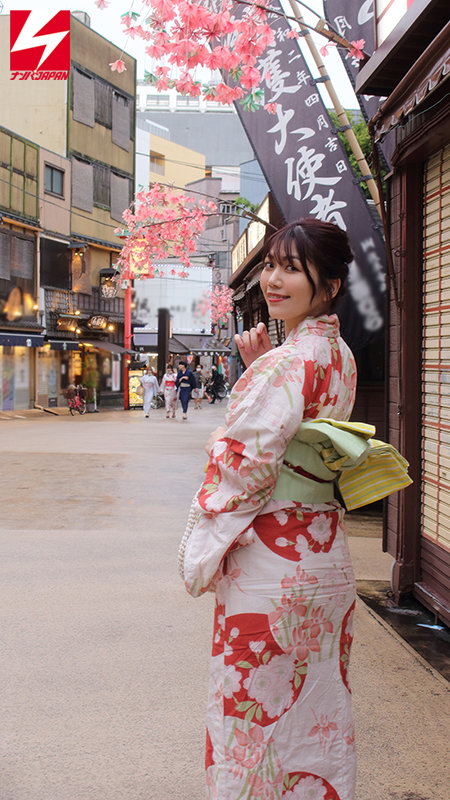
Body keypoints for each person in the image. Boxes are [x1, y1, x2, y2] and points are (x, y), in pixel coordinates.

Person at [179, 218, 410, 799]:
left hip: (272, 560)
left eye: (291, 268)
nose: (273, 281)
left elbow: (244, 465)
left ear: (330, 285)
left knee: (252, 711)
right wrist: (262, 369)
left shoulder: (286, 362)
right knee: (315, 703)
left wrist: (219, 446)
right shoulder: (339, 355)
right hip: (323, 552)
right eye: (270, 266)